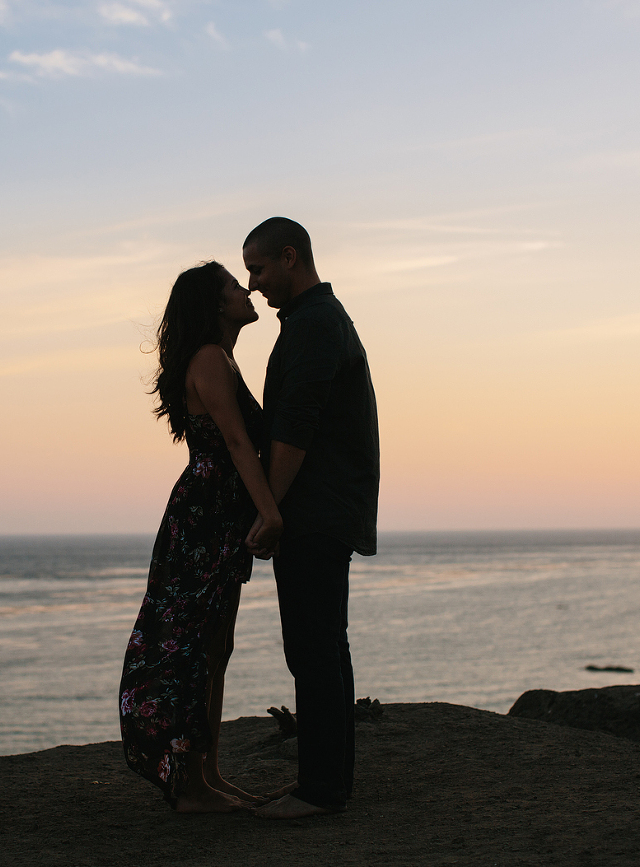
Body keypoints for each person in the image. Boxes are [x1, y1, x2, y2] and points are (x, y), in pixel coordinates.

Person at [119, 261, 284, 813]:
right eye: (236, 287)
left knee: (217, 644)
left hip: (217, 511)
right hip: (207, 513)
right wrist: (271, 513)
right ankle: (190, 786)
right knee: (197, 645)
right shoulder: (211, 359)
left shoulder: (223, 357)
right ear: (216, 305)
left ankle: (208, 775)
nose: (247, 290)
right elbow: (237, 444)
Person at [242, 217, 380, 819]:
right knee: (323, 646)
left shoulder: (315, 325)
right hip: (325, 508)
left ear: (290, 258)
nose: (253, 284)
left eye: (259, 268)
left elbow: (294, 430)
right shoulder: (316, 321)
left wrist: (268, 510)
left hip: (315, 511)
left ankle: (320, 790)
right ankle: (328, 783)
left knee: (314, 648)